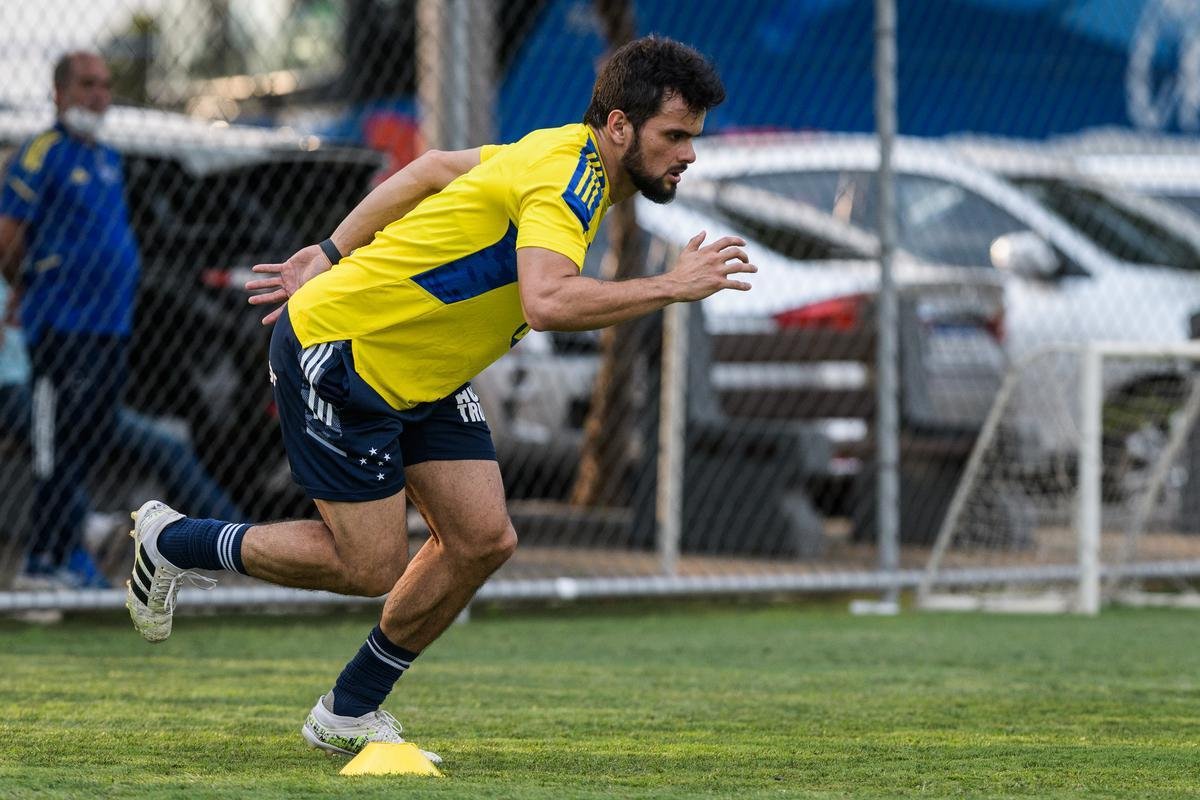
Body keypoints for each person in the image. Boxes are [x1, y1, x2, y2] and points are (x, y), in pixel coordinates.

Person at [125, 36, 749, 761]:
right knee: (369, 568)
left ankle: (348, 712)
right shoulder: (568, 181)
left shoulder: (561, 149)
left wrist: (328, 251)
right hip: (345, 353)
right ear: (618, 126)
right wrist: (672, 285)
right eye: (675, 136)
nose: (688, 154)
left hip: (420, 372)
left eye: (691, 138)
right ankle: (171, 541)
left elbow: (425, 170)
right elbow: (546, 302)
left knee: (483, 538)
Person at [0, 51, 244, 588]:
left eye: (106, 85)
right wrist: (28, 285)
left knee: (85, 440)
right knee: (56, 443)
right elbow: (9, 237)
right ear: (59, 92)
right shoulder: (42, 154)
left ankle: (68, 554)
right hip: (62, 327)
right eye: (87, 84)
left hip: (110, 327)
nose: (99, 95)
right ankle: (45, 560)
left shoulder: (110, 158)